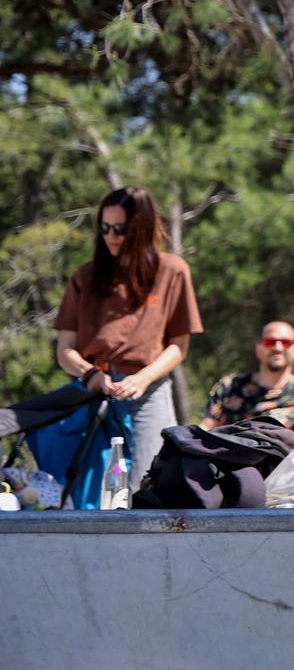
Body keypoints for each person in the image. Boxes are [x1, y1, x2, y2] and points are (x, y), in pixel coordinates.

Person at [53, 185, 204, 492]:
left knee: (151, 487)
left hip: (148, 391)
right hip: (92, 390)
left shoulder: (173, 271)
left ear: (141, 228)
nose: (111, 236)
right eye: (105, 227)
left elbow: (179, 346)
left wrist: (143, 379)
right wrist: (90, 373)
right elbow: (64, 350)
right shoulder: (85, 277)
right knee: (86, 491)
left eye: (120, 229)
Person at [201, 320, 294, 442]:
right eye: (270, 342)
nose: (278, 348)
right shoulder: (229, 386)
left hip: (282, 469)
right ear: (259, 350)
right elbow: (207, 425)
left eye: (286, 343)